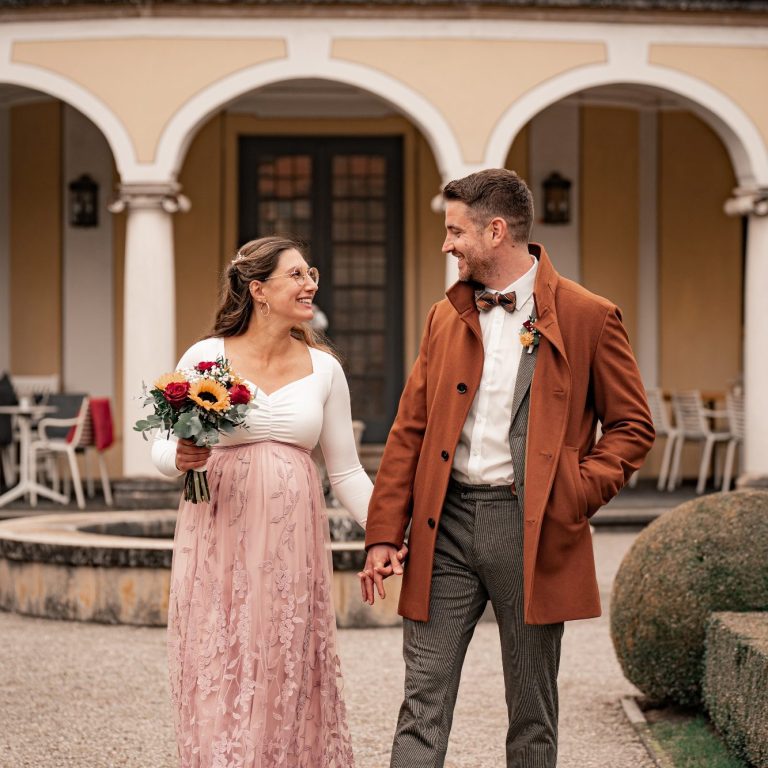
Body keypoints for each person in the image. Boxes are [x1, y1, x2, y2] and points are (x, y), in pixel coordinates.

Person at [360, 169, 654, 767]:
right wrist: (385, 533)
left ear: (495, 231)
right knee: (422, 701)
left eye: (454, 231)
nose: (446, 244)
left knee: (532, 713)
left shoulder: (590, 316)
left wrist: (573, 493)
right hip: (446, 526)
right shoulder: (445, 316)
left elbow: (632, 427)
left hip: (536, 529)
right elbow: (409, 429)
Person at [152, 236, 404, 768]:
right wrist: (178, 456)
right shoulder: (206, 356)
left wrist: (386, 532)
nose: (311, 282)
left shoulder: (324, 369)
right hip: (218, 532)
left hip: (291, 545)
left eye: (311, 272)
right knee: (222, 652)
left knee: (281, 655)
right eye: (297, 275)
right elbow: (160, 443)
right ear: (259, 289)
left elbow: (347, 471)